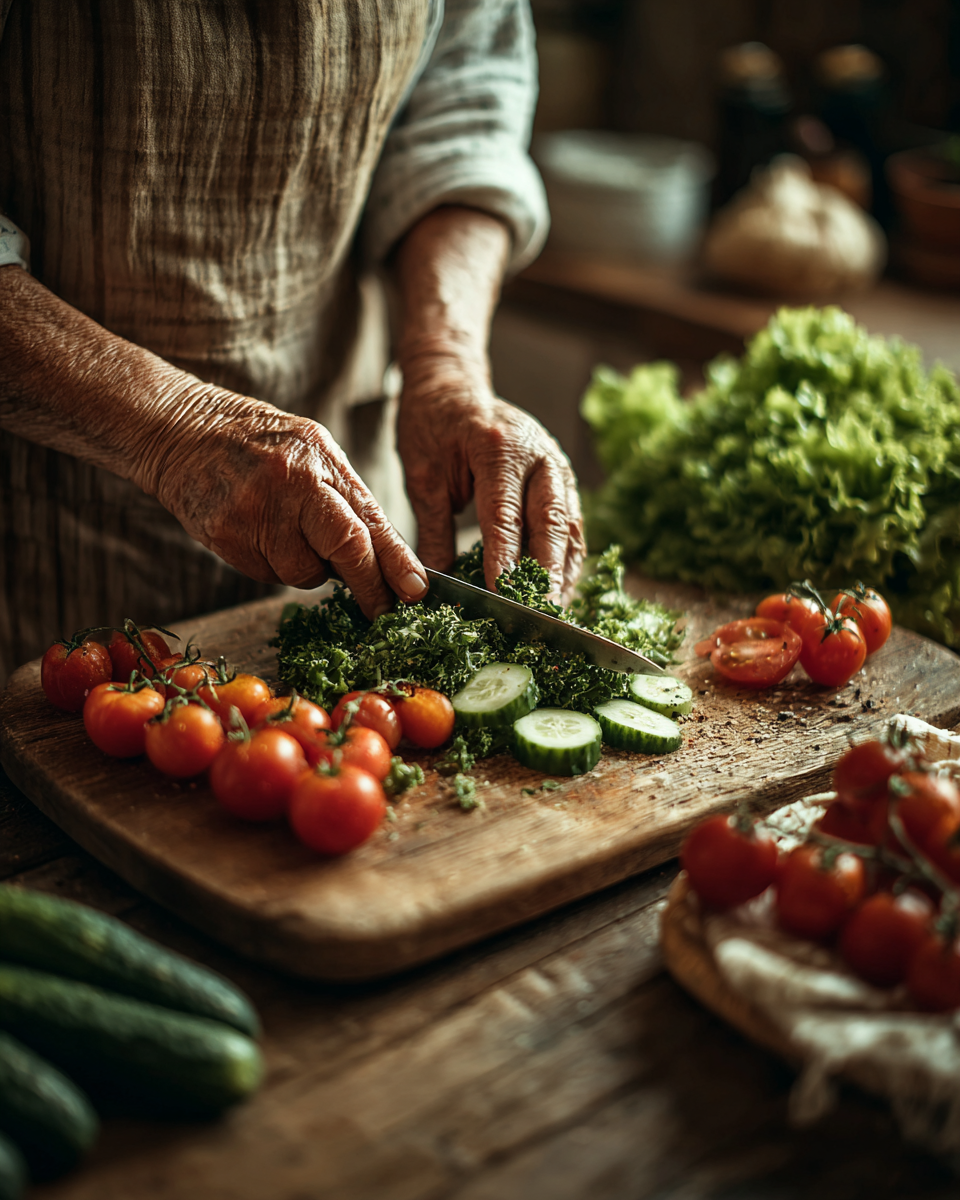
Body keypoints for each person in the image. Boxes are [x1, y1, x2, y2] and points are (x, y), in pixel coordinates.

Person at [0, 0, 584, 681]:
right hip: (45, 529)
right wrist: (173, 429)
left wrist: (444, 365)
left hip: (351, 459)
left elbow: (462, 107)